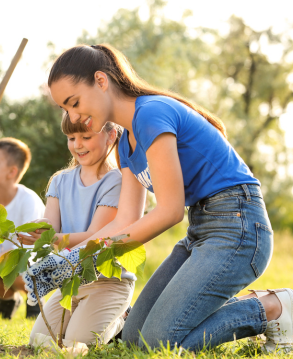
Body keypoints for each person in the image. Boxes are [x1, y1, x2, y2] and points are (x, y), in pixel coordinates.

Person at [24, 43, 292, 353]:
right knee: (135, 339)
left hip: (239, 227)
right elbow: (126, 221)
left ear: (101, 81)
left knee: (156, 344)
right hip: (202, 230)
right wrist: (74, 257)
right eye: (64, 109)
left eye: (74, 102)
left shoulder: (151, 114)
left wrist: (79, 257)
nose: (73, 116)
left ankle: (273, 308)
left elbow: (169, 211)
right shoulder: (125, 146)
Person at [19, 115, 135, 345]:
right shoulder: (60, 181)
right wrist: (33, 233)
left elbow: (94, 237)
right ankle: (96, 317)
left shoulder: (115, 181)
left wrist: (52, 238)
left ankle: (123, 318)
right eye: (72, 138)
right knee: (40, 341)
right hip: (71, 279)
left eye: (86, 137)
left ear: (111, 136)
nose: (77, 144)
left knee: (78, 342)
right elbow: (50, 225)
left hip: (108, 280)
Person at [0, 138, 45, 319]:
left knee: (20, 272)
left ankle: (35, 302)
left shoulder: (28, 199)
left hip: (33, 262)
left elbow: (27, 249)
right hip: (5, 261)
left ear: (12, 171)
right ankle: (8, 299)